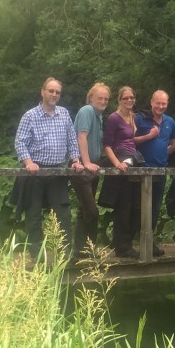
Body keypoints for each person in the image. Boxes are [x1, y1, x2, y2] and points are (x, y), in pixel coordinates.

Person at [12, 77, 83, 258]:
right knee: (33, 213)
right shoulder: (30, 116)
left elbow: (71, 139)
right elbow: (20, 142)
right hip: (35, 172)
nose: (54, 94)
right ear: (42, 92)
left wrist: (75, 159)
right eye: (50, 91)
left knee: (63, 213)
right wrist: (28, 162)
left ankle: (64, 252)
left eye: (57, 92)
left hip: (57, 171)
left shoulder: (64, 114)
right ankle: (37, 254)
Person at [98, 86, 160, 258]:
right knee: (123, 205)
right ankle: (122, 246)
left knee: (135, 204)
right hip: (120, 161)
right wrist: (117, 164)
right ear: (119, 100)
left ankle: (126, 243)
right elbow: (107, 144)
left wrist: (148, 136)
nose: (129, 100)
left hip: (133, 160)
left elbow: (130, 140)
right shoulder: (113, 118)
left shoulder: (132, 117)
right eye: (125, 98)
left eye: (131, 97)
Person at [134, 90, 175, 254]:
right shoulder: (140, 118)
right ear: (151, 102)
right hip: (140, 170)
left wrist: (161, 154)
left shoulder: (170, 121)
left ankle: (149, 243)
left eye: (164, 103)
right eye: (157, 103)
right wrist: (149, 136)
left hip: (160, 170)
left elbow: (174, 144)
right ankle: (131, 244)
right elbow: (130, 141)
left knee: (154, 208)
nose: (160, 106)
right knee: (137, 207)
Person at [71, 82, 110, 256]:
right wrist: (85, 162)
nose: (103, 101)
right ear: (91, 98)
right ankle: (90, 248)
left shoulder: (99, 116)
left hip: (93, 167)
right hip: (81, 167)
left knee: (84, 209)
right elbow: (81, 137)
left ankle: (80, 250)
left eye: (106, 99)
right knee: (92, 211)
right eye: (99, 98)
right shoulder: (87, 111)